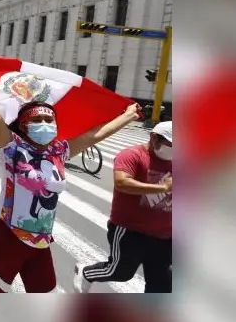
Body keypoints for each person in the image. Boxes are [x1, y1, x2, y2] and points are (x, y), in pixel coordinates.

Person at [0, 58, 141, 293]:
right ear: (22, 125)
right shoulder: (12, 146)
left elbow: (94, 136)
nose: (44, 124)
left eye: (48, 120)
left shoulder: (59, 150)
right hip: (5, 237)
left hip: (41, 243)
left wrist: (127, 116)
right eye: (36, 120)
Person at [74, 121, 173, 293]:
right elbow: (122, 182)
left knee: (161, 285)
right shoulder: (132, 155)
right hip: (130, 230)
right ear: (154, 138)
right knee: (120, 272)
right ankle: (86, 272)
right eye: (170, 145)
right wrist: (163, 188)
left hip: (165, 235)